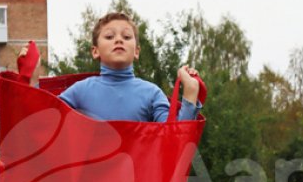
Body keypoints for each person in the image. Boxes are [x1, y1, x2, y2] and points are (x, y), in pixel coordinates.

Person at [20, 12, 202, 122]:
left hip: (137, 175)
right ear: (95, 51)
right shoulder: (81, 90)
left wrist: (190, 93)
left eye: (126, 37)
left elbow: (174, 138)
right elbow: (42, 121)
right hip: (91, 175)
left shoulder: (152, 93)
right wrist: (31, 77)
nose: (119, 40)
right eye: (109, 36)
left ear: (136, 51)